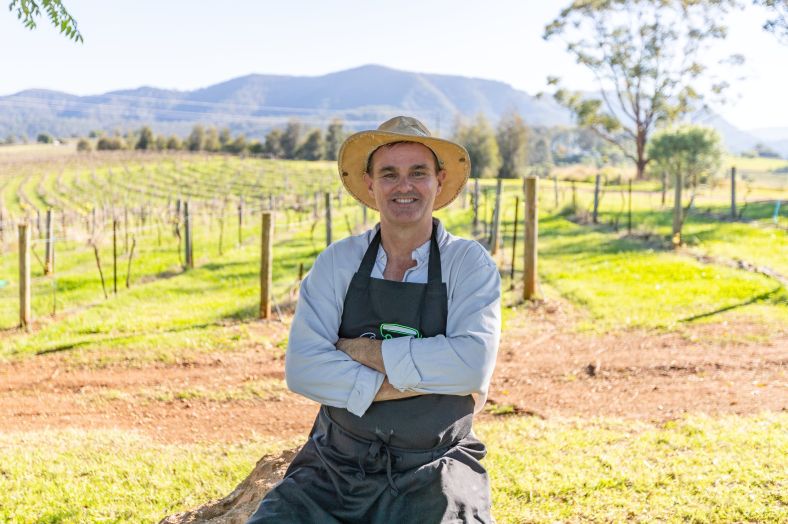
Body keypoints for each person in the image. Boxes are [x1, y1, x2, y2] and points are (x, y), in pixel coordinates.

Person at [247, 116, 501, 523]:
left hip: (436, 466)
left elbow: (471, 365)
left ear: (439, 179)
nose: (404, 186)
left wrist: (360, 352)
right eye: (389, 173)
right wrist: (424, 381)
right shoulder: (338, 261)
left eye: (418, 172)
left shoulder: (467, 263)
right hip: (334, 465)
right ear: (369, 183)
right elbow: (303, 370)